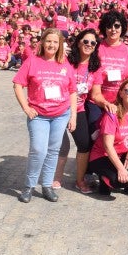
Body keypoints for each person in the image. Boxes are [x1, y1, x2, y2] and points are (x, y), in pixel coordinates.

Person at [13, 28, 76, 203]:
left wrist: (73, 116)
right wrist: (26, 107)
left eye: (55, 42)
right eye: (49, 41)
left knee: (53, 151)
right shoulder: (32, 61)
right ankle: (29, 186)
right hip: (39, 115)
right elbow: (18, 84)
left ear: (60, 45)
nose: (52, 45)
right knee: (38, 150)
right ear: (42, 42)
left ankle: (47, 185)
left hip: (60, 114)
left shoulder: (64, 64)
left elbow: (72, 91)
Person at [54, 29, 106, 193]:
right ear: (78, 42)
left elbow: (96, 94)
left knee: (84, 145)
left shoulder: (95, 67)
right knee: (61, 146)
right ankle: (56, 177)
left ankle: (79, 180)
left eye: (93, 43)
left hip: (79, 109)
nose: (89, 45)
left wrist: (106, 103)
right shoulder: (66, 61)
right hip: (60, 109)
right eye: (85, 41)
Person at [87, 78, 128, 198]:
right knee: (118, 182)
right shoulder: (112, 114)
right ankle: (104, 179)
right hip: (103, 156)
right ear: (121, 93)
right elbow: (107, 146)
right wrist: (121, 169)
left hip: (124, 154)